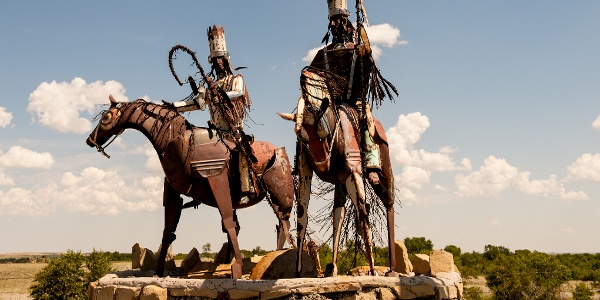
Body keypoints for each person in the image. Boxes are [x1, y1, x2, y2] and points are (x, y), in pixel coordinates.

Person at [305, 0, 397, 185]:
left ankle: (371, 163)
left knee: (366, 119)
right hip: (329, 105)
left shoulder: (359, 50)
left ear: (347, 23)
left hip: (354, 101)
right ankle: (304, 166)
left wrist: (365, 54)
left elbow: (368, 73)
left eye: (340, 21)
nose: (336, 25)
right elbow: (312, 77)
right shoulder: (322, 54)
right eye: (334, 21)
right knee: (306, 124)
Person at [172, 25, 254, 201]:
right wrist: (175, 106)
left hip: (233, 130)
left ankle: (246, 188)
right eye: (214, 60)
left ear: (226, 60)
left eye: (220, 59)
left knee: (240, 153)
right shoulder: (209, 87)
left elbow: (238, 92)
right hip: (214, 131)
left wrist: (219, 95)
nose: (217, 63)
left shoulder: (236, 79)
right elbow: (198, 104)